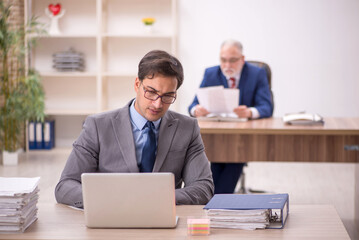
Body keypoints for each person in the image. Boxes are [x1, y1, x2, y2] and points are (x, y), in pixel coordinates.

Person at [55, 50, 214, 208]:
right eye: (151, 92)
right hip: (112, 217)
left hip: (162, 218)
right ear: (137, 84)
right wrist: (113, 199)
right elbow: (65, 187)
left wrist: (155, 198)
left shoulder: (187, 128)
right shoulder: (97, 126)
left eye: (167, 96)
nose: (157, 104)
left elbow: (203, 188)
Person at [188, 39, 273, 194]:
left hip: (243, 137)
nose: (227, 66)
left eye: (232, 61)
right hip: (218, 135)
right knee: (218, 156)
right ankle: (215, 199)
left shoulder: (257, 73)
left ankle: (215, 200)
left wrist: (250, 112)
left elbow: (267, 107)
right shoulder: (211, 73)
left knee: (234, 155)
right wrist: (197, 110)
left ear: (242, 59)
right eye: (223, 60)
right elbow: (192, 106)